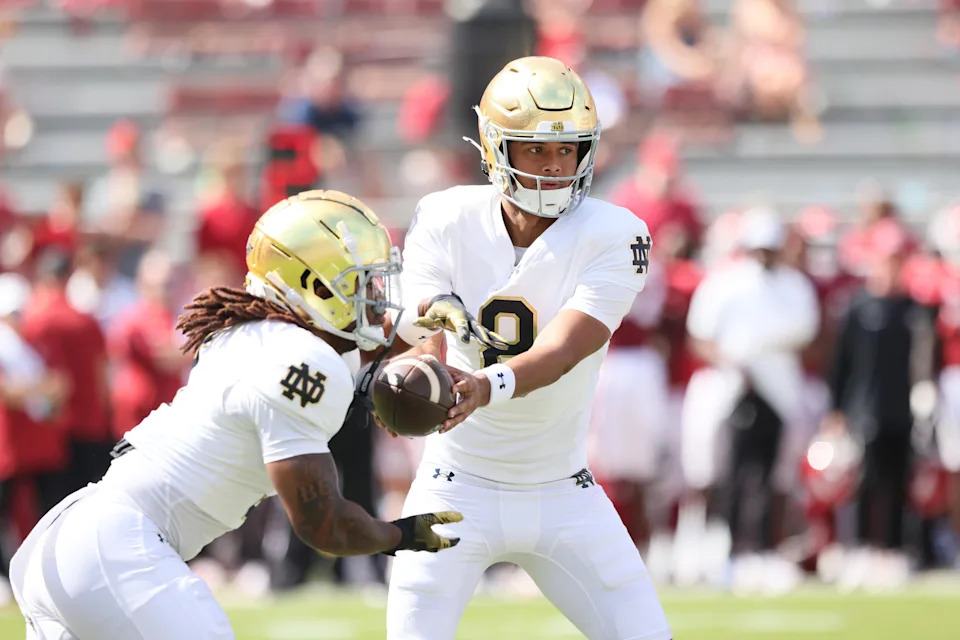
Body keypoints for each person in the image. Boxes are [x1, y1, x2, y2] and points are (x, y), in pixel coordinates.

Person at [9, 190, 463, 640]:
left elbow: (354, 350)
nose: (375, 297)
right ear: (316, 286)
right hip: (115, 547)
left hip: (69, 539)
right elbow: (323, 525)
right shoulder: (303, 359)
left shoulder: (254, 333)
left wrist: (422, 325)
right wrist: (400, 535)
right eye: (360, 282)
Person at [384, 57, 672, 640]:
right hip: (453, 481)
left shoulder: (617, 233)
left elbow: (568, 345)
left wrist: (485, 386)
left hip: (563, 489)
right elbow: (426, 328)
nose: (555, 166)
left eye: (567, 150)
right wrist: (419, 364)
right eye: (536, 150)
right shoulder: (445, 215)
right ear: (495, 148)